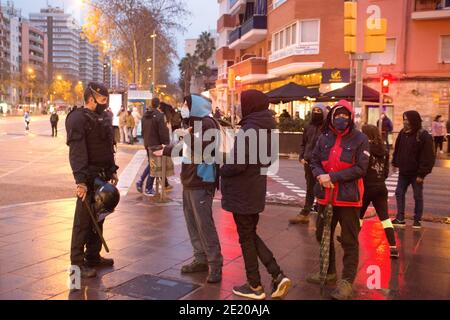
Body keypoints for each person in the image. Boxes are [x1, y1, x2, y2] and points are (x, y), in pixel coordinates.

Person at [221, 90, 291, 300]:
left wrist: (222, 167)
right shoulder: (269, 127)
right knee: (249, 233)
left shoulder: (250, 129)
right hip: (255, 189)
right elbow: (268, 160)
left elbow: (237, 164)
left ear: (249, 105)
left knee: (246, 237)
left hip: (242, 191)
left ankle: (255, 285)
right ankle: (276, 274)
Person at [153, 94, 223, 284]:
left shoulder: (208, 124)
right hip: (190, 180)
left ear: (196, 106)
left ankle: (215, 264)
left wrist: (184, 138)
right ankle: (200, 259)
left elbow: (203, 150)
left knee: (204, 224)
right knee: (192, 222)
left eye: (186, 104)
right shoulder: (195, 124)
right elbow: (186, 148)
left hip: (201, 181)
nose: (183, 107)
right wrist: (167, 149)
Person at [308, 99, 370, 300]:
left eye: (345, 115)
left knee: (349, 240)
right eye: (337, 115)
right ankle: (329, 272)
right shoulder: (324, 137)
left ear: (350, 118)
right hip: (326, 197)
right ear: (332, 117)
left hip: (348, 199)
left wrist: (332, 177)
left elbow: (361, 168)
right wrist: (319, 175)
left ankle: (346, 282)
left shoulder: (360, 139)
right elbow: (314, 160)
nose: (341, 119)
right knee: (322, 234)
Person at [65, 82, 119, 278]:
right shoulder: (78, 118)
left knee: (99, 218)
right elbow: (77, 152)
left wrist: (112, 170)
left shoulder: (103, 117)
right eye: (103, 100)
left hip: (103, 176)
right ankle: (76, 265)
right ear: (91, 98)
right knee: (82, 223)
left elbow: (108, 146)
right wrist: (80, 181)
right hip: (87, 178)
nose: (105, 104)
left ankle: (93, 256)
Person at [360, 124, 399, 258]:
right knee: (385, 218)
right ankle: (393, 246)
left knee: (359, 215)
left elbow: (362, 169)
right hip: (381, 187)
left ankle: (349, 240)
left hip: (366, 187)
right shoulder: (384, 150)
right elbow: (386, 172)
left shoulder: (365, 149)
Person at [392, 111, 435, 229]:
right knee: (399, 193)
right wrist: (395, 162)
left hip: (417, 173)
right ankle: (400, 218)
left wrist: (422, 173)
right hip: (404, 172)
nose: (405, 121)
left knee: (417, 196)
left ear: (414, 120)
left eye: (407, 119)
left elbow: (428, 156)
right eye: (404, 119)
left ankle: (417, 220)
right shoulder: (402, 133)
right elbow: (398, 148)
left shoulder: (423, 135)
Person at [289, 104, 327, 225]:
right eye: (314, 110)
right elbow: (304, 142)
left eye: (319, 111)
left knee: (321, 187)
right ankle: (306, 212)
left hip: (321, 163)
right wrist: (302, 156)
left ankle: (321, 211)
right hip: (308, 161)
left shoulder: (327, 128)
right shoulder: (308, 126)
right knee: (310, 187)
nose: (316, 112)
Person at [139, 98, 172, 196]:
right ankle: (148, 187)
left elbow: (142, 130)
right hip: (156, 144)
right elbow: (162, 131)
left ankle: (141, 182)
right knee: (155, 166)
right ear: (158, 105)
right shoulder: (159, 116)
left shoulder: (144, 116)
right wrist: (165, 143)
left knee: (151, 164)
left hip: (147, 143)